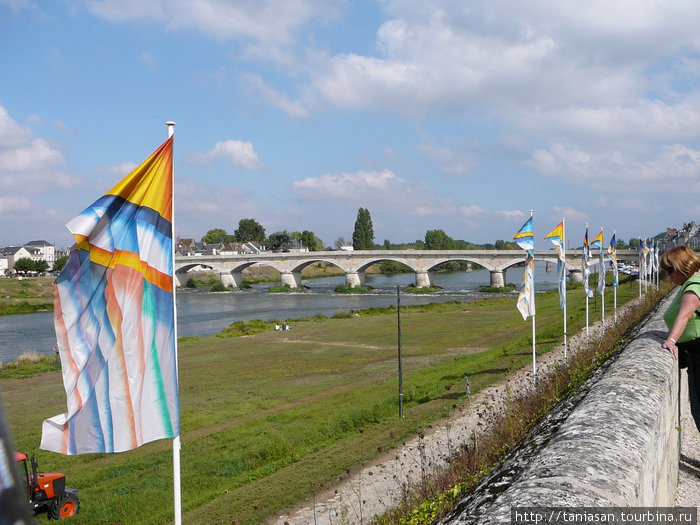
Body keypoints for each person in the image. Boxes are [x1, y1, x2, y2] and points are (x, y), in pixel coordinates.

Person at [661, 245, 700, 430]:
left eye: (670, 270)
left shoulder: (693, 286)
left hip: (697, 352)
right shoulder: (693, 281)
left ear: (682, 265)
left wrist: (671, 340)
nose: (669, 275)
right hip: (693, 352)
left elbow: (684, 315)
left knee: (699, 408)